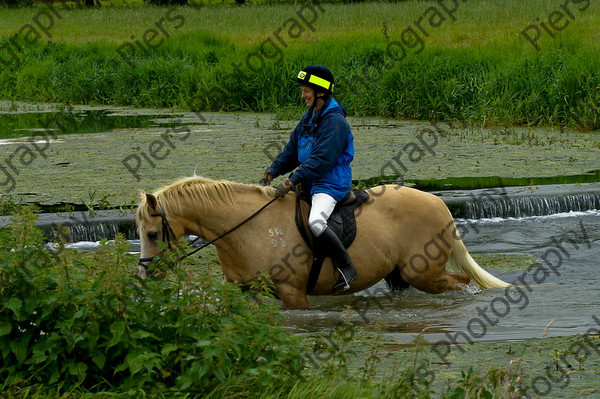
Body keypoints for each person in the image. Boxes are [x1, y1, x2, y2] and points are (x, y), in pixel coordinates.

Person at [259, 65, 359, 291]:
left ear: (320, 92)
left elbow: (321, 160)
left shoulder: (335, 123)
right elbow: (292, 152)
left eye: (306, 91)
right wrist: (271, 171)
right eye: (303, 90)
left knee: (315, 222)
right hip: (310, 182)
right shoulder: (309, 117)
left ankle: (347, 267)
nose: (303, 95)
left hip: (330, 183)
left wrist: (291, 181)